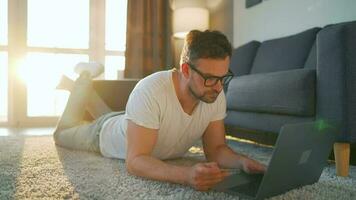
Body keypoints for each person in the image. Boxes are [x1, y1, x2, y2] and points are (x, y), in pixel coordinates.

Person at [54, 30, 266, 191]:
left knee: (120, 116)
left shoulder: (213, 93)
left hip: (135, 124)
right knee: (62, 133)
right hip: (102, 134)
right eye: (210, 78)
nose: (219, 87)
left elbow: (216, 149)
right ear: (185, 70)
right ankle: (83, 75)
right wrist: (186, 175)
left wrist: (241, 161)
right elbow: (135, 160)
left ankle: (85, 88)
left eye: (223, 77)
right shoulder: (151, 90)